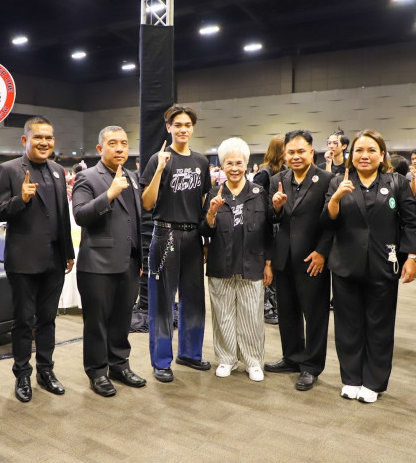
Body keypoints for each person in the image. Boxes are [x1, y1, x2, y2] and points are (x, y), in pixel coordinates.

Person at [323, 130, 416, 403]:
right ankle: (351, 378)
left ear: (382, 155)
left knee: (380, 326)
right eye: (359, 150)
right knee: (347, 326)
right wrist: (335, 198)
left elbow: (412, 222)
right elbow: (327, 221)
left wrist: (412, 257)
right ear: (351, 154)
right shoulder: (338, 181)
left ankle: (374, 381)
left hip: (383, 265)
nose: (364, 156)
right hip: (345, 265)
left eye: (371, 150)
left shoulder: (397, 182)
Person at [0, 116, 75, 402]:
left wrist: (68, 252)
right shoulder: (9, 170)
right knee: (24, 321)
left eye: (48, 138)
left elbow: (62, 214)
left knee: (48, 319)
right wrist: (22, 200)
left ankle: (46, 371)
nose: (44, 142)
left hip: (54, 259)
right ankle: (22, 374)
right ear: (25, 140)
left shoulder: (58, 170)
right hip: (23, 260)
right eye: (38, 137)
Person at [72, 126, 147, 397]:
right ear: (99, 148)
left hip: (128, 263)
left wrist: (139, 257)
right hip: (98, 264)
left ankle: (119, 365)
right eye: (113, 143)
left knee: (121, 319)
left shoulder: (131, 177)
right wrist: (109, 194)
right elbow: (80, 215)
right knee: (97, 323)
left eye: (124, 143)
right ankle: (97, 372)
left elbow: (134, 219)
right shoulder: (87, 177)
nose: (119, 148)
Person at [140, 105, 212, 383]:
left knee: (194, 299)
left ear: (193, 128)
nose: (183, 129)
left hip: (193, 237)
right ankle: (161, 361)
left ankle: (190, 353)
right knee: (162, 303)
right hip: (165, 236)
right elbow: (147, 203)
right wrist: (159, 169)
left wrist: (205, 240)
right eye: (177, 124)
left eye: (187, 125)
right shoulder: (157, 159)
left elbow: (203, 203)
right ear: (168, 127)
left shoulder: (201, 162)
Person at [265, 130, 333, 391]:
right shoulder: (277, 180)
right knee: (287, 312)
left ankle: (311, 366)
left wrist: (322, 251)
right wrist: (276, 207)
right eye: (291, 152)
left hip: (312, 257)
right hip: (284, 257)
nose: (295, 156)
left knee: (315, 315)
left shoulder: (326, 179)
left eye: (300, 151)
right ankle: (292, 358)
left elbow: (332, 221)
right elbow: (271, 218)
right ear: (284, 154)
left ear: (311, 152)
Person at [200, 138, 272, 382]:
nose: (234, 168)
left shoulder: (258, 192)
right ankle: (226, 358)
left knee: (252, 314)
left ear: (246, 164)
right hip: (221, 262)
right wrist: (211, 213)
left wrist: (268, 263)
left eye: (238, 163)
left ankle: (253, 361)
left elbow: (268, 231)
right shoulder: (214, 193)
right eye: (228, 163)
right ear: (221, 166)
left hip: (252, 262)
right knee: (223, 313)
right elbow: (205, 230)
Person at [253, 134, 285, 325]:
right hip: (267, 226)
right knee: (269, 267)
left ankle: (275, 305)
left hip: (279, 226)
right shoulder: (264, 173)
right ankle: (267, 307)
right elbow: (255, 202)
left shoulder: (284, 171)